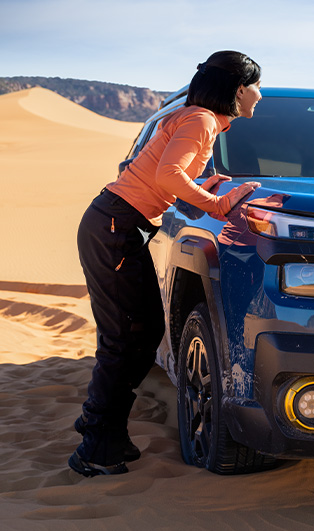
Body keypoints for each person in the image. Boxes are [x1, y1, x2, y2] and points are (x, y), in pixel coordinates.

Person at [69, 51, 263, 476]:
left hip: (119, 224)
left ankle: (101, 422)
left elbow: (170, 177)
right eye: (255, 85)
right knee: (127, 339)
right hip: (117, 226)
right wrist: (215, 201)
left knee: (138, 335)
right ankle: (96, 443)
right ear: (237, 89)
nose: (260, 95)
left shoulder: (198, 119)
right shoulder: (202, 120)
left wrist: (202, 186)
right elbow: (167, 177)